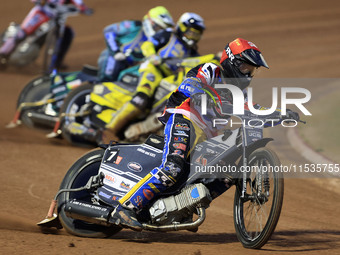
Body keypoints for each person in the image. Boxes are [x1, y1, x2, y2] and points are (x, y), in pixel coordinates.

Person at [108, 38, 300, 231]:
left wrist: (281, 114)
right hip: (184, 118)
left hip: (207, 133)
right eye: (244, 68)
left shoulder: (240, 93)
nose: (248, 74)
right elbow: (191, 82)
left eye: (251, 70)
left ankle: (183, 206)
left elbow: (252, 110)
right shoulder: (211, 70)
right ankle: (126, 208)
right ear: (231, 61)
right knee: (173, 167)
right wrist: (199, 91)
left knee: (226, 173)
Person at [101, 12, 206, 143]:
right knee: (141, 99)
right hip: (153, 69)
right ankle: (109, 130)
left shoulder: (193, 53)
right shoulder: (168, 35)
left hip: (168, 80)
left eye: (197, 34)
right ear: (182, 28)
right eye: (191, 32)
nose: (194, 37)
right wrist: (153, 56)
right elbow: (147, 44)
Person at [0, 0, 93, 68]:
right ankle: (3, 52)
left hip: (56, 19)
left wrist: (85, 10)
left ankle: (57, 62)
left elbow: (81, 6)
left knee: (68, 33)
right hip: (41, 13)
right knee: (22, 33)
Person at [97, 6, 174, 82]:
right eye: (159, 27)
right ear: (151, 22)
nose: (159, 31)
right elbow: (109, 30)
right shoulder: (135, 26)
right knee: (106, 81)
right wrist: (116, 52)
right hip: (112, 58)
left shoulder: (156, 40)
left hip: (127, 66)